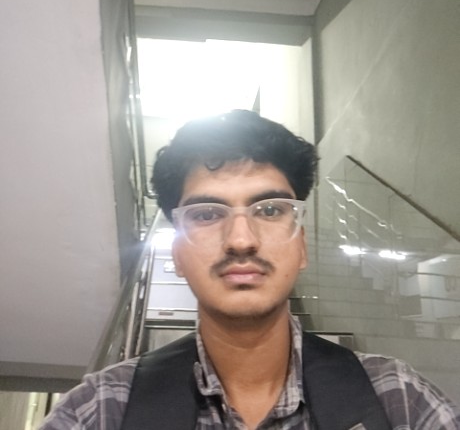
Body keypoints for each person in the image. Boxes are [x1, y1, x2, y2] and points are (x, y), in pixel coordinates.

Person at [40, 110, 460, 429]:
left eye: (271, 210)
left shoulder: (398, 400)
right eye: (207, 214)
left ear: (301, 246)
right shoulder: (101, 409)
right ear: (178, 254)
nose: (241, 240)